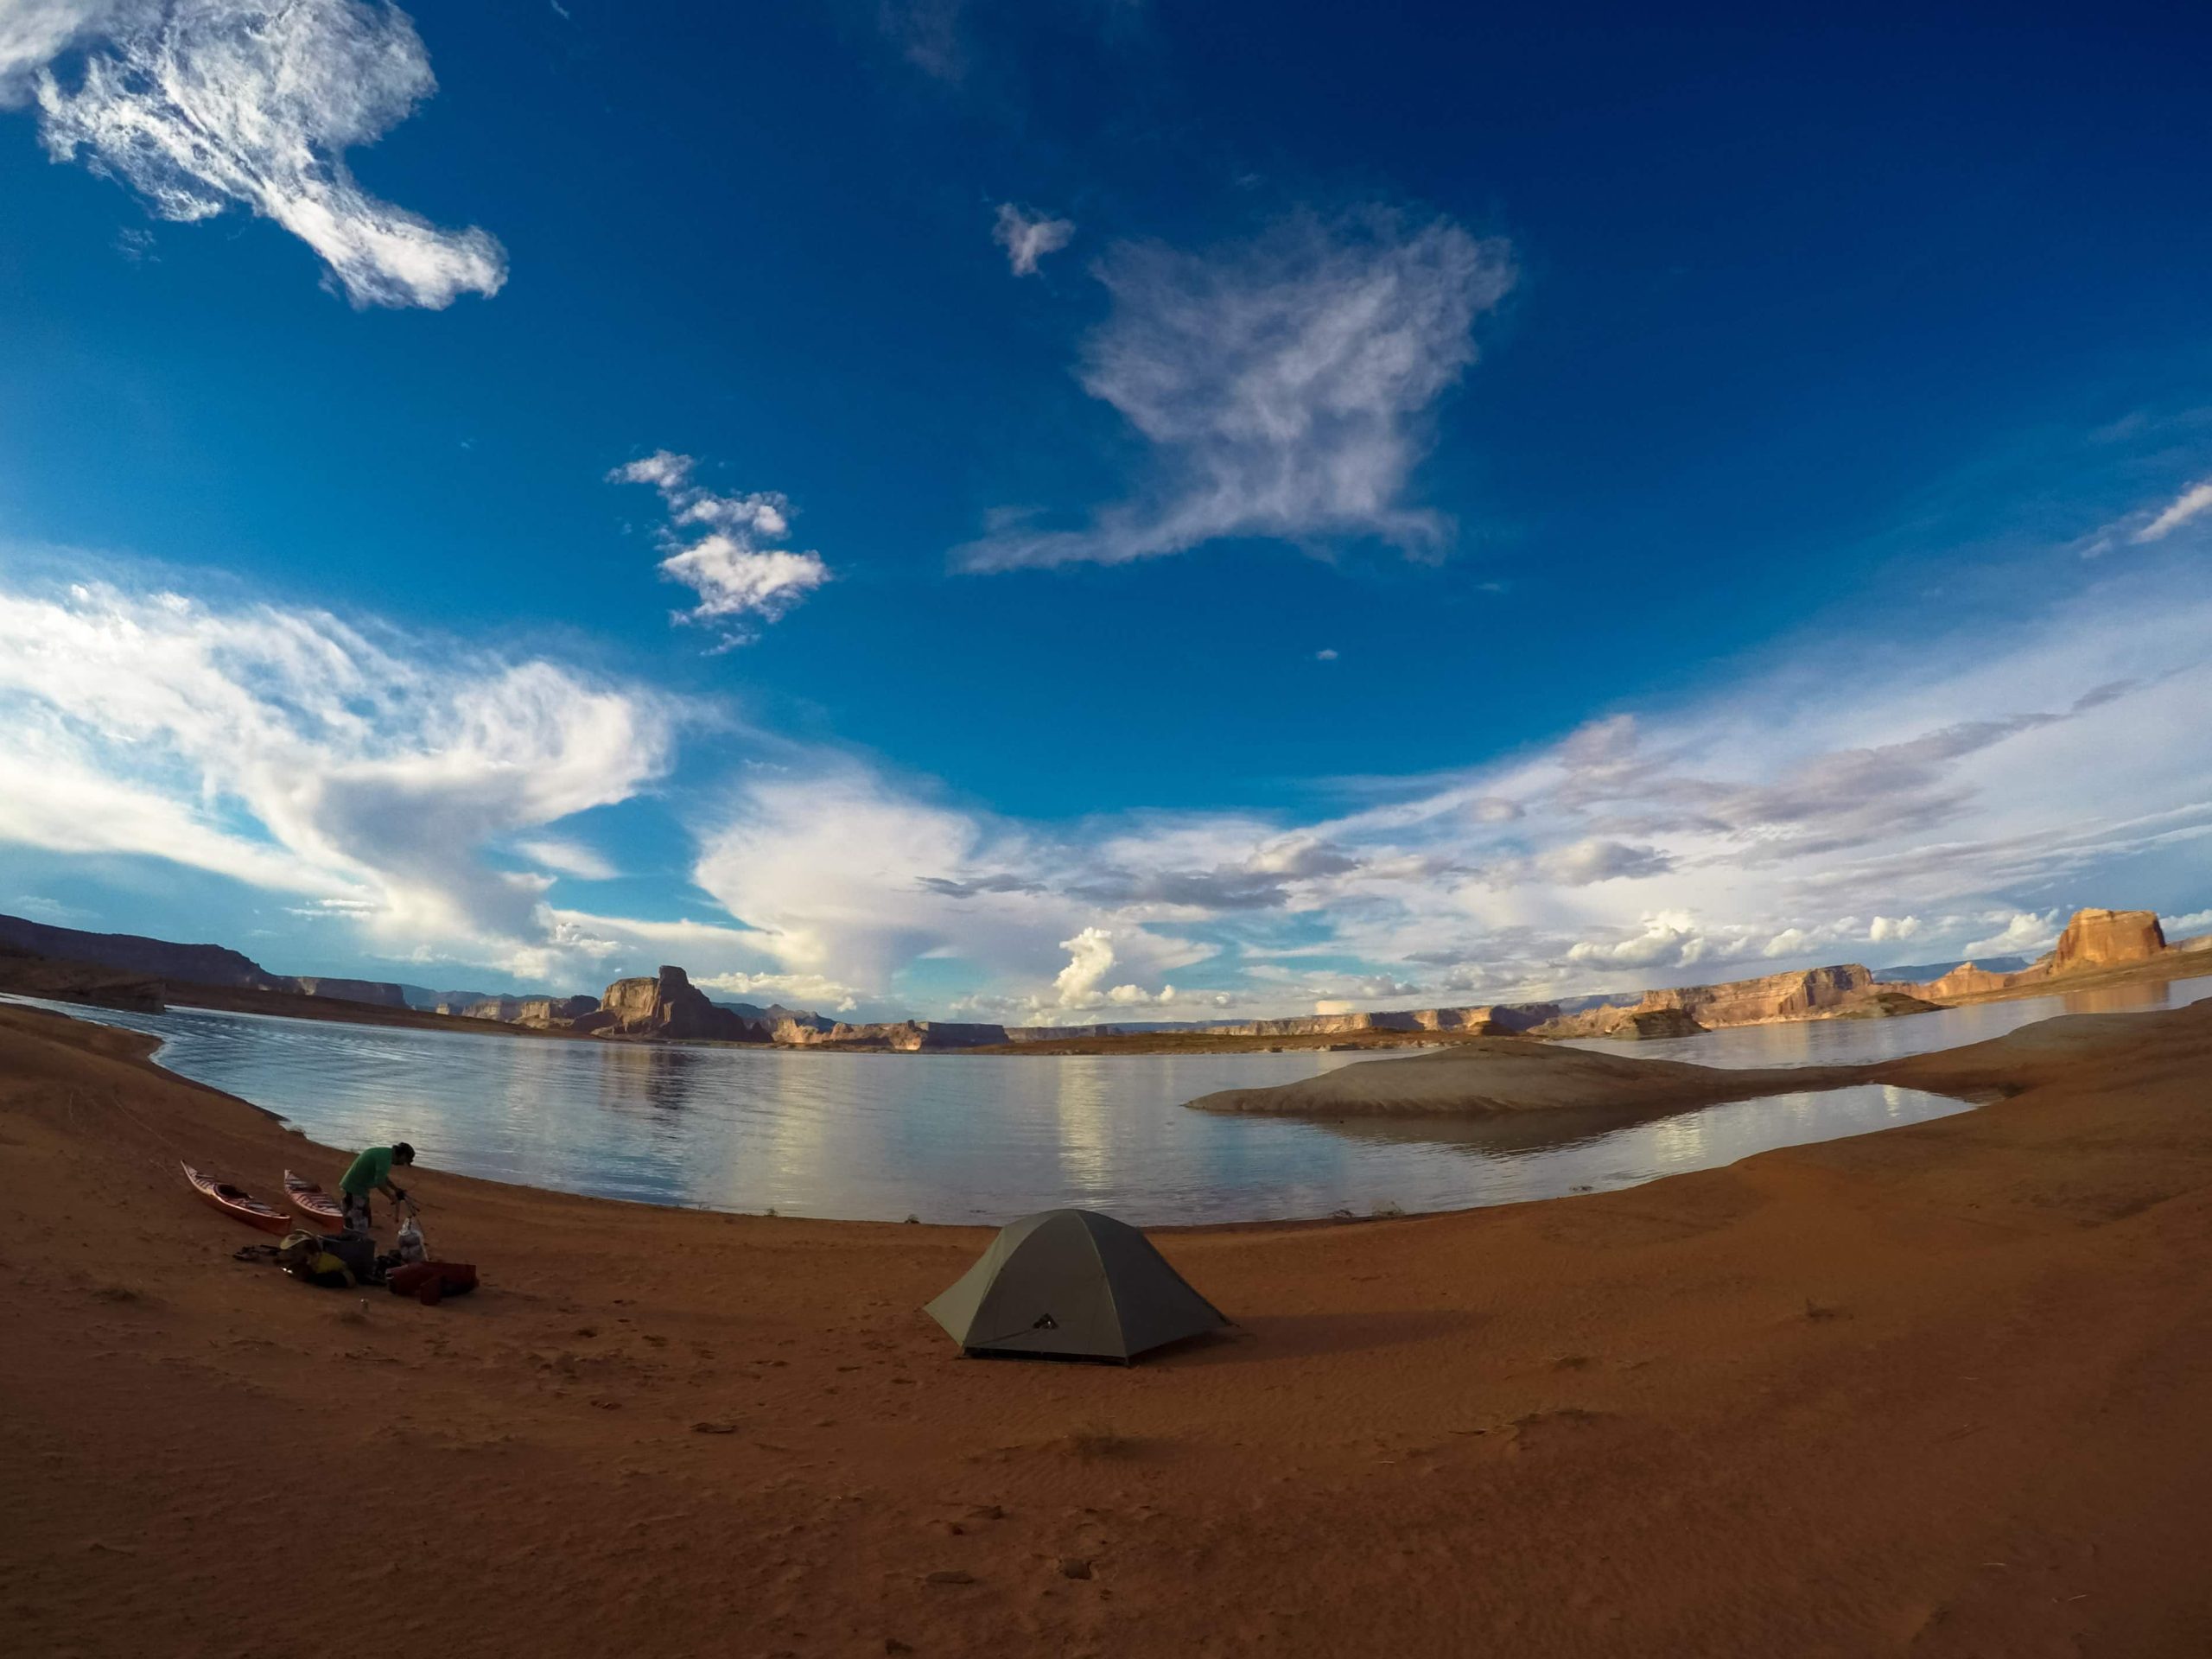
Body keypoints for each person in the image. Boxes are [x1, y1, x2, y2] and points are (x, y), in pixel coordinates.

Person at [337, 1141, 415, 1236]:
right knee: (358, 1225)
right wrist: (391, 1197)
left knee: (363, 1221)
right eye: (405, 1161)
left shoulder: (385, 1154)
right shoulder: (385, 1160)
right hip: (355, 1190)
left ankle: (351, 1240)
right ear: (403, 1155)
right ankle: (351, 1243)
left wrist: (396, 1189)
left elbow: (383, 1177)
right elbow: (379, 1183)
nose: (403, 1164)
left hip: (358, 1190)